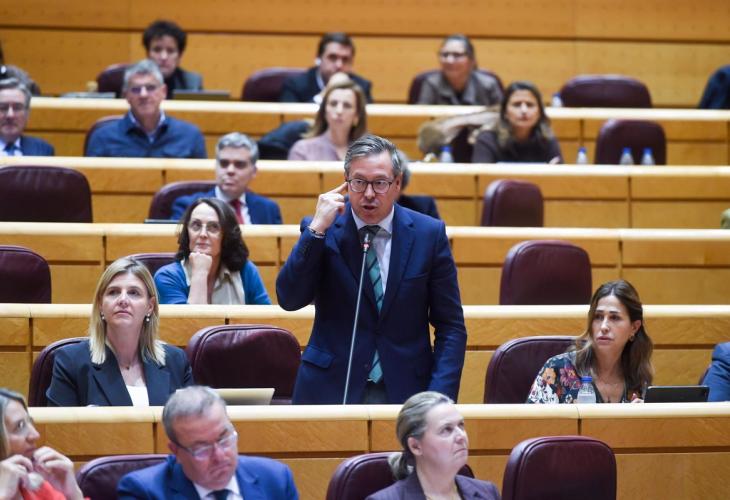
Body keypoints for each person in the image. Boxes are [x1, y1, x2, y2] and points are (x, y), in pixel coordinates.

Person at [276, 134, 466, 404]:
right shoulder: (323, 230)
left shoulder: (428, 234)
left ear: (397, 183)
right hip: (331, 387)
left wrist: (439, 397)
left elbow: (451, 327)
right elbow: (289, 298)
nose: (368, 194)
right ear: (346, 182)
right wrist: (315, 230)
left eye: (379, 183)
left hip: (406, 391)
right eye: (359, 182)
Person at [46, 257, 193, 406]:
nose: (123, 300)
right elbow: (59, 422)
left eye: (134, 293)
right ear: (100, 304)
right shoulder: (70, 362)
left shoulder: (176, 361)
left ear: (150, 306)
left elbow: (192, 419)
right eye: (113, 292)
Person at [117, 385, 298, 499]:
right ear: (176, 451)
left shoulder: (276, 479)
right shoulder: (144, 492)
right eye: (202, 448)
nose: (219, 456)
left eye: (224, 439)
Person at [527, 279, 654, 404]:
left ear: (634, 327)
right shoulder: (557, 370)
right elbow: (531, 418)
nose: (603, 327)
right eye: (598, 317)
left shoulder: (639, 379)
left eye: (614, 318)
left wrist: (641, 416)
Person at [367, 391, 500, 500]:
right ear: (415, 446)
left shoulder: (487, 493)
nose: (461, 436)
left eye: (461, 425)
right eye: (446, 429)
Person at [156, 198, 271, 305]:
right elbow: (193, 320)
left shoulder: (246, 271)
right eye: (196, 225)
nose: (203, 234)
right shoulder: (167, 277)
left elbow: (267, 317)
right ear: (187, 232)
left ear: (227, 235)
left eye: (213, 227)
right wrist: (200, 273)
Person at [85, 59, 206, 158]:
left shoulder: (190, 136)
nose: (143, 95)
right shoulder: (102, 137)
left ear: (163, 92)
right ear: (126, 95)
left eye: (150, 88)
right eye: (136, 89)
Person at [170, 132, 282, 223]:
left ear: (253, 172)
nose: (230, 170)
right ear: (216, 167)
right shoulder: (189, 206)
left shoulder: (269, 210)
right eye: (224, 163)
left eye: (239, 164)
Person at [0, 388, 84, 500]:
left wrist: (73, 494)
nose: (35, 435)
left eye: (30, 422)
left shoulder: (37, 487)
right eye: (20, 426)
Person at [471, 81, 562, 164]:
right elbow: (481, 175)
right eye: (517, 105)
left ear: (539, 113)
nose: (524, 110)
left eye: (530, 105)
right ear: (505, 112)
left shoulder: (547, 139)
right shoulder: (487, 140)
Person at [288, 77, 368, 161]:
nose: (339, 111)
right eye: (333, 104)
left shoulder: (370, 153)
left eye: (347, 105)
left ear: (357, 115)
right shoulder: (303, 150)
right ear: (324, 112)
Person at [280, 32, 373, 103]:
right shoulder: (295, 86)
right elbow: (291, 120)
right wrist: (326, 93)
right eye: (332, 57)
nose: (339, 65)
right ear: (318, 58)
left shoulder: (362, 87)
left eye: (345, 59)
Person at [416, 34, 502, 107]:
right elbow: (420, 117)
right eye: (445, 55)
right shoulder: (431, 84)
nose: (449, 60)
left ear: (471, 60)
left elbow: (502, 117)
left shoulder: (488, 85)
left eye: (457, 55)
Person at [143, 19, 203, 99]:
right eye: (157, 50)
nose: (163, 57)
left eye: (170, 51)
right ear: (148, 54)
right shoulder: (134, 81)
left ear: (180, 55)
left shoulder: (191, 83)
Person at [0, 78, 53, 156]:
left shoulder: (42, 149)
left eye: (17, 108)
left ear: (27, 113)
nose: (10, 115)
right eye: (3, 108)